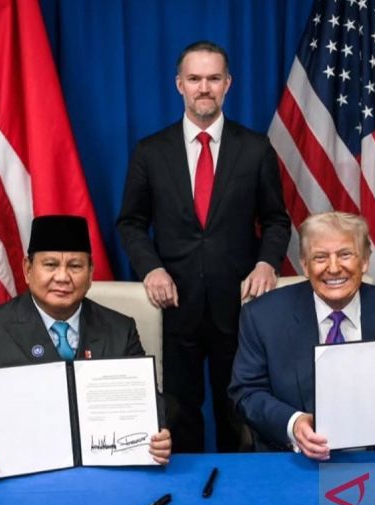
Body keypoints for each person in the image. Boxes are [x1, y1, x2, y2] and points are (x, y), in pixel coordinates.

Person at [116, 41, 290, 453]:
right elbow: (131, 223)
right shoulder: (151, 151)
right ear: (179, 84)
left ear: (228, 83)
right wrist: (151, 268)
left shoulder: (255, 148)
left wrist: (267, 264)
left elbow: (277, 220)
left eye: (213, 78)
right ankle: (187, 488)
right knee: (179, 410)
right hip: (175, 305)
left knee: (239, 411)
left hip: (241, 305)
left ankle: (240, 487)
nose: (204, 88)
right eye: (194, 79)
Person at [0, 215, 172, 483]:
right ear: (28, 269)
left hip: (103, 478)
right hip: (13, 480)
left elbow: (147, 399)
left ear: (90, 273)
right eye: (51, 264)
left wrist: (158, 431)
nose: (63, 277)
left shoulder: (120, 329)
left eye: (75, 266)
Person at [228, 211, 375, 459]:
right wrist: (294, 424)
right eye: (320, 257)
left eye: (345, 255)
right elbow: (246, 393)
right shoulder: (263, 316)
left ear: (365, 261)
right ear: (305, 265)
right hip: (295, 460)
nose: (333, 268)